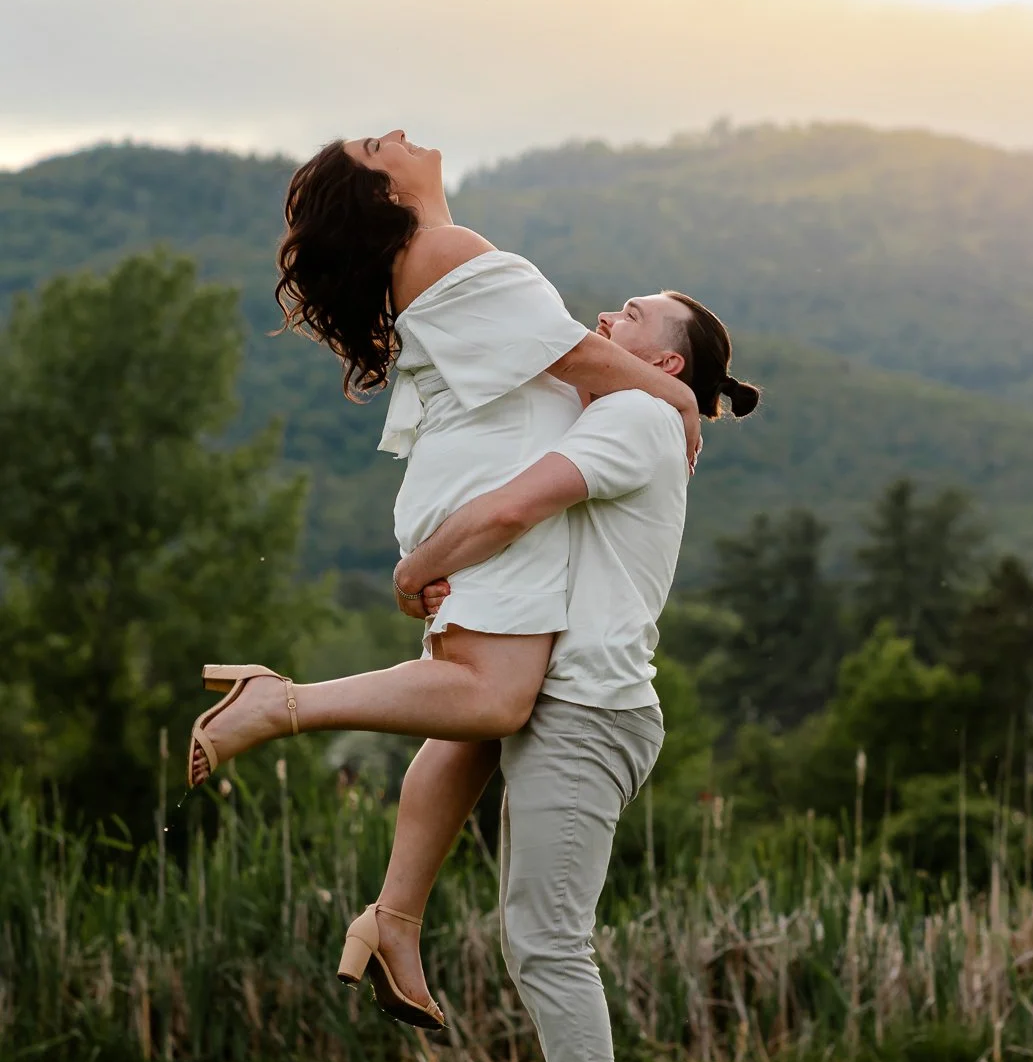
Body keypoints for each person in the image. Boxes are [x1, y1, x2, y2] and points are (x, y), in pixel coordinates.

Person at [370, 289, 760, 1062]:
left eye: (630, 314)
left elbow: (511, 511)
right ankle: (387, 921)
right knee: (538, 932)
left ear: (663, 367)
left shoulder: (635, 419)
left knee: (547, 939)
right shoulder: (627, 410)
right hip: (547, 699)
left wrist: (416, 570)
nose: (605, 315)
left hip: (588, 711)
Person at [187, 127, 699, 782]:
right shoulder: (442, 248)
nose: (397, 134)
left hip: (474, 475)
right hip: (493, 482)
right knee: (490, 699)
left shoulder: (431, 253)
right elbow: (568, 353)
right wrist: (676, 397)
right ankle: (280, 703)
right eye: (377, 146)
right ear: (386, 191)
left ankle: (398, 892)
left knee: (468, 716)